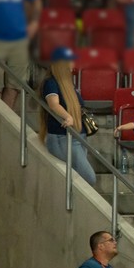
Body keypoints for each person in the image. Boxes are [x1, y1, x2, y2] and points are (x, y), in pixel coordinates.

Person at [37, 47, 96, 184]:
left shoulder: (67, 83)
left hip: (77, 135)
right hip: (63, 136)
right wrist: (67, 116)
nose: (74, 63)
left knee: (79, 179)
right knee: (89, 178)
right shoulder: (51, 82)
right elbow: (53, 104)